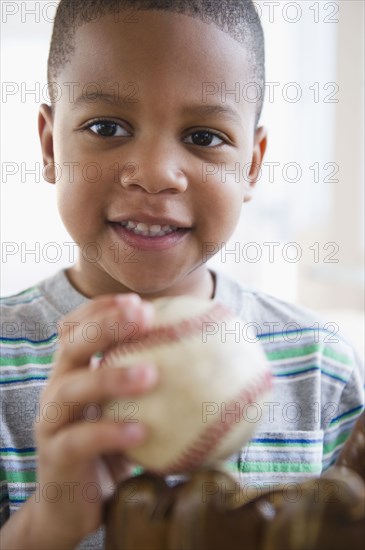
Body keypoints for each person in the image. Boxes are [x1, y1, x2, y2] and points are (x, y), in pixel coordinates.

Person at [1, 1, 363, 548]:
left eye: (203, 137)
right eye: (106, 126)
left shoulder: (320, 362)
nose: (155, 174)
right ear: (51, 145)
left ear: (253, 165)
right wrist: (44, 527)